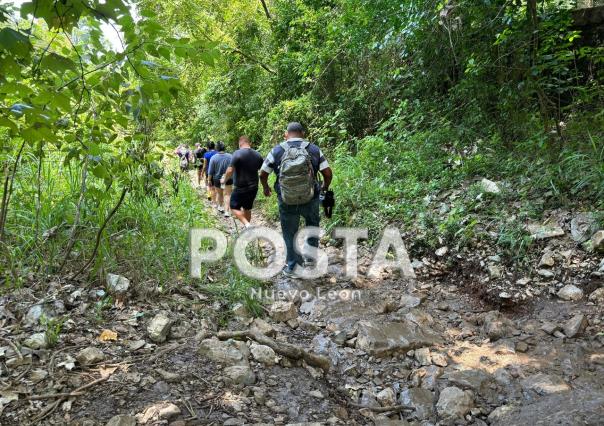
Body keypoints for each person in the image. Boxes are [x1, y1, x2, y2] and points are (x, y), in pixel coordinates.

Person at [260, 122, 332, 277]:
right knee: (312, 226)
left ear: (286, 134)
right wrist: (324, 188)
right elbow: (327, 172)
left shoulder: (277, 150)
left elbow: (263, 173)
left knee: (289, 232)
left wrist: (266, 187)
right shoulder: (313, 149)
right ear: (302, 133)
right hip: (310, 197)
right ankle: (311, 261)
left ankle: (293, 267)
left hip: (286, 199)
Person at [222, 135, 263, 228]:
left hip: (241, 187)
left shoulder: (237, 153)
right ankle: (247, 228)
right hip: (254, 187)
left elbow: (229, 170)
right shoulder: (258, 155)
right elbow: (262, 171)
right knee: (247, 208)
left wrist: (224, 180)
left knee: (233, 207)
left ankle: (247, 224)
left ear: (240, 143)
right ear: (250, 143)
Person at [207, 142, 233, 216]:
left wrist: (209, 180)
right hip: (228, 178)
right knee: (227, 194)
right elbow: (233, 168)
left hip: (217, 179)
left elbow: (210, 171)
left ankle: (220, 207)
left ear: (217, 148)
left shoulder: (213, 158)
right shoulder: (230, 156)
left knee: (219, 193)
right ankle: (227, 211)